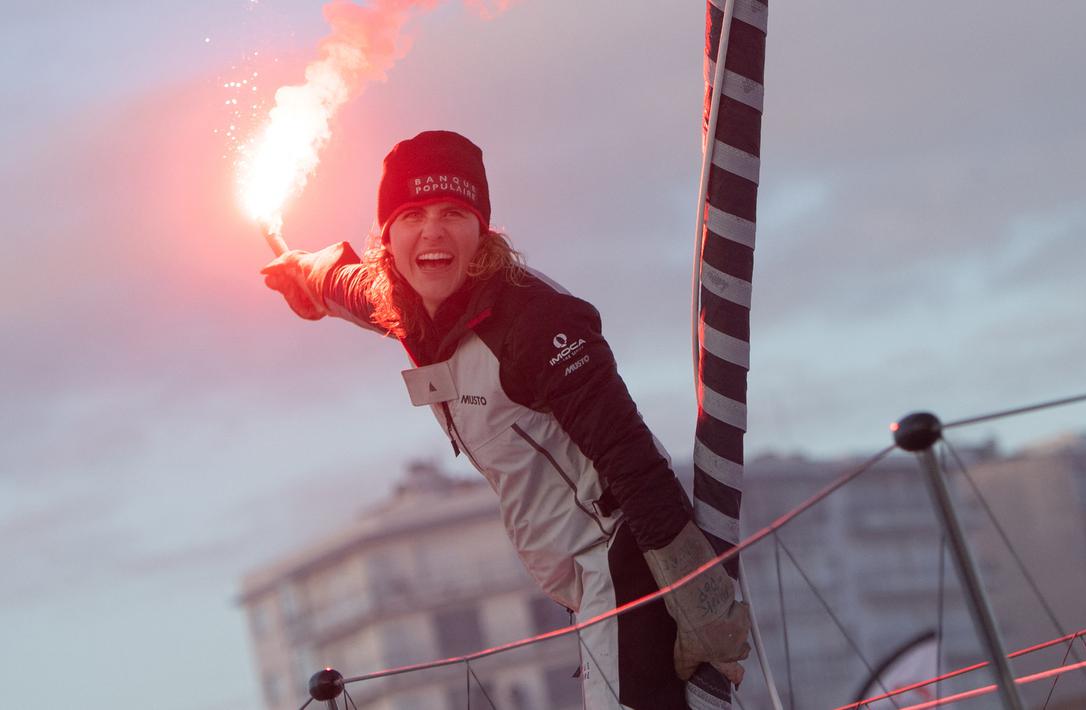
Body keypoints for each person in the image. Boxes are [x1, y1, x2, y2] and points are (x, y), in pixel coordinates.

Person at [262, 130, 750, 709]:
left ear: (482, 231)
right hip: (577, 578)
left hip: (625, 561)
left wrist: (699, 600)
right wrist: (306, 276)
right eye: (412, 215)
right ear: (387, 238)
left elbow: (634, 461)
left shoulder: (534, 323)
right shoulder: (403, 300)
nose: (432, 231)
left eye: (453, 213)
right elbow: (345, 284)